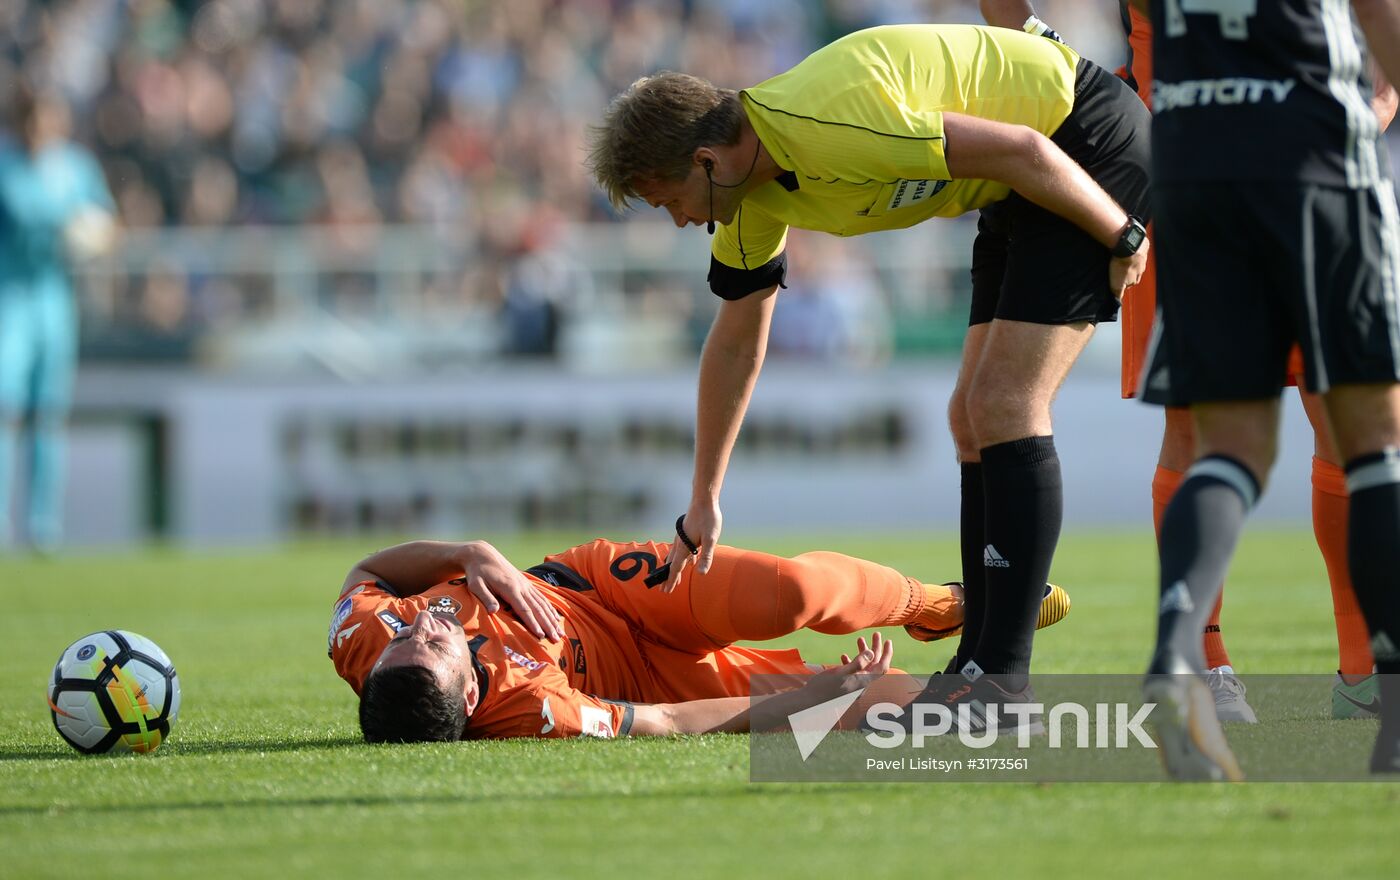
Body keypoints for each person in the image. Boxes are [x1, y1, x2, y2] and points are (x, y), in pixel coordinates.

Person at [586, 23, 1149, 717]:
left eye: (668, 201)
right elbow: (736, 342)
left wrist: (1123, 233)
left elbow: (1026, 147)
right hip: (1014, 188)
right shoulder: (748, 197)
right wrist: (703, 498)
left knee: (1005, 404)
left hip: (1078, 146)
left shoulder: (821, 122)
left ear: (705, 160)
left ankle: (1000, 682)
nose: (676, 222)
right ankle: (978, 663)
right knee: (970, 418)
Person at [981, 1, 1395, 725]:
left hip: (1224, 169)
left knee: (1264, 430)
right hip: (1262, 171)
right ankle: (1256, 669)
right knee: (1319, 431)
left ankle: (1268, 671)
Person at [1132, 0, 1400, 778]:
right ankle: (1387, 696)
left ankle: (1179, 658)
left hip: (1187, 165)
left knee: (1226, 447)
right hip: (1311, 153)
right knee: (1373, 442)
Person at [328, 536, 1072, 741]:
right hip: (646, 682)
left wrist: (468, 555)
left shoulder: (364, 640)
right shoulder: (533, 711)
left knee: (796, 594)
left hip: (599, 585)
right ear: (466, 690)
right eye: (434, 645)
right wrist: (811, 697)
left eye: (409, 636)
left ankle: (940, 604)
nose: (427, 623)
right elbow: (666, 721)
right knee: (889, 710)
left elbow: (368, 568)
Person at [0, 84, 116, 552]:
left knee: (48, 413)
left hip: (54, 298)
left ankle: (43, 527)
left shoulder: (75, 166)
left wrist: (96, 236)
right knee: (5, 410)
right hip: (9, 295)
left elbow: (107, 222)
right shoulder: (7, 167)